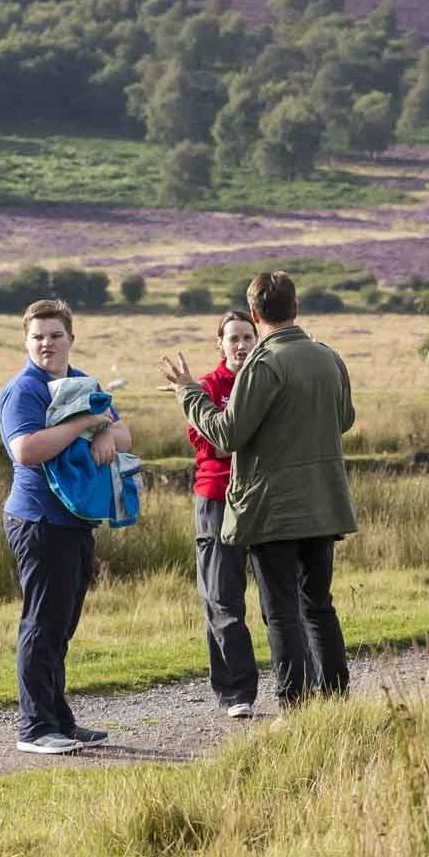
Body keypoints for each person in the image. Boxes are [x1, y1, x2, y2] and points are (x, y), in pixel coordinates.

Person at [162, 272, 357, 705]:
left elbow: (227, 434)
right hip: (324, 503)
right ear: (296, 307)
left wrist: (188, 394)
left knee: (282, 610)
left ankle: (296, 702)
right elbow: (344, 420)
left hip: (274, 512)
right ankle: (336, 698)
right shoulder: (329, 358)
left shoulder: (263, 364)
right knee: (318, 605)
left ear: (255, 314)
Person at [0, 298, 130, 754]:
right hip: (37, 520)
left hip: (75, 520)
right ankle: (34, 729)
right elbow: (27, 450)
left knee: (63, 622)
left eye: (55, 335)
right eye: (37, 337)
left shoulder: (80, 382)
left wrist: (108, 432)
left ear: (71, 338)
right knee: (41, 623)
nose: (46, 344)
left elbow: (124, 433)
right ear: (25, 341)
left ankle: (60, 720)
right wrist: (85, 424)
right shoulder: (25, 391)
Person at [187, 311, 262, 718]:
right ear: (220, 343)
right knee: (221, 597)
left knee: (278, 599)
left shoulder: (267, 381)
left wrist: (235, 438)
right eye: (233, 338)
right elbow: (212, 446)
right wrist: (246, 440)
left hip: (264, 497)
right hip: (217, 497)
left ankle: (299, 685)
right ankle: (237, 693)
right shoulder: (206, 388)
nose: (241, 345)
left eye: (248, 337)